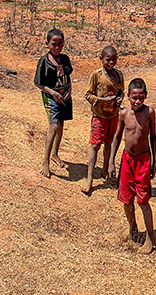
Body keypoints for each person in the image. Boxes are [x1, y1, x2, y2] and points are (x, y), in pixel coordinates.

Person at [110, 78, 156, 254]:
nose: (137, 101)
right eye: (134, 98)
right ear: (128, 97)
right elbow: (116, 137)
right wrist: (111, 162)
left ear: (145, 96)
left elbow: (153, 137)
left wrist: (153, 162)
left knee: (143, 201)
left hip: (143, 161)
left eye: (141, 98)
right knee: (126, 200)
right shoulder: (123, 114)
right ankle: (133, 229)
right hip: (127, 160)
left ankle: (150, 237)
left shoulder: (149, 112)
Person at [81, 46, 123, 195]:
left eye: (114, 59)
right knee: (95, 146)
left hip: (113, 116)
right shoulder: (96, 75)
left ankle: (105, 171)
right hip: (99, 116)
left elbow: (121, 92)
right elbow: (88, 95)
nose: (111, 62)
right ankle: (89, 179)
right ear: (101, 59)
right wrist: (101, 100)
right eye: (108, 59)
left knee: (108, 144)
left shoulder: (119, 75)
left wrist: (119, 99)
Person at [33, 29, 73, 178]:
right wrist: (54, 93)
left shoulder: (65, 59)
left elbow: (67, 78)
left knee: (61, 125)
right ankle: (45, 162)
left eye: (60, 43)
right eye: (54, 44)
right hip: (51, 97)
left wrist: (69, 90)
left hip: (64, 97)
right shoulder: (44, 61)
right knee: (53, 126)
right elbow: (38, 83)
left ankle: (55, 153)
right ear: (47, 44)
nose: (57, 47)